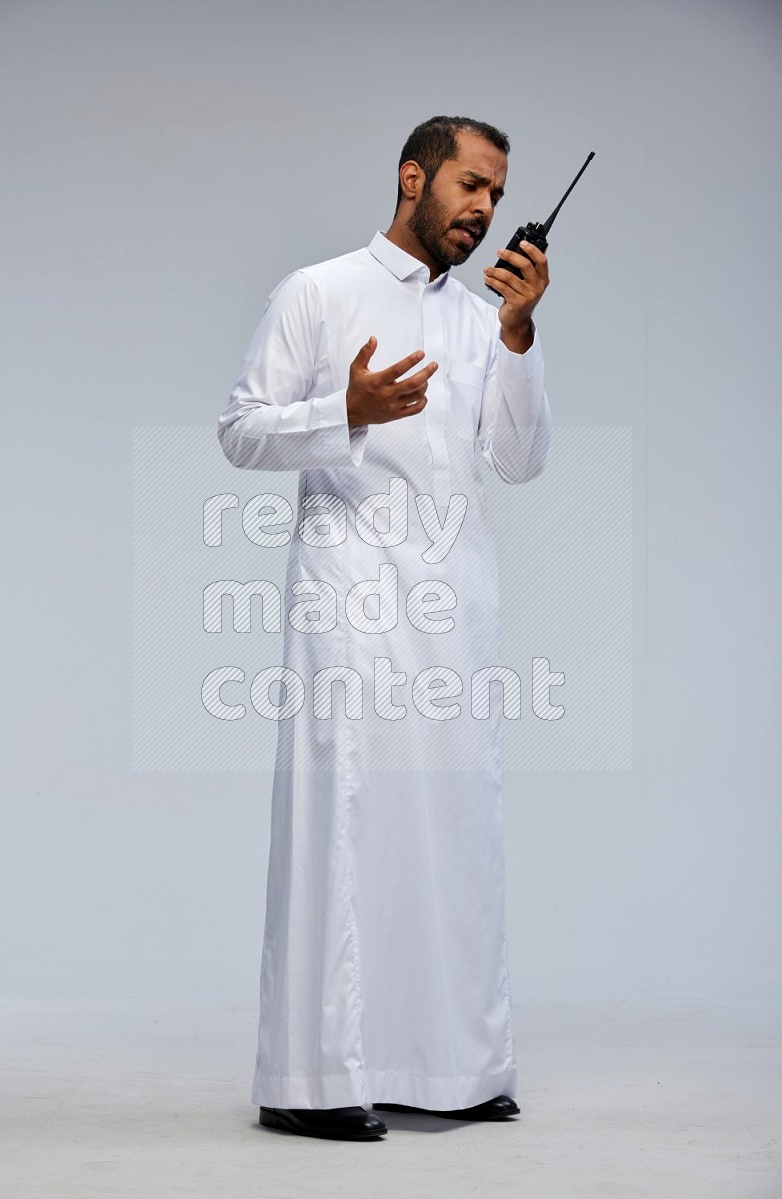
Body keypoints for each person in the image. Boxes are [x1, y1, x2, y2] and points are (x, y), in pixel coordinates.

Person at [217, 115, 551, 1142]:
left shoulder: (480, 319)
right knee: (345, 828)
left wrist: (518, 338)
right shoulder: (316, 292)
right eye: (469, 184)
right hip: (349, 597)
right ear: (412, 177)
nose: (484, 209)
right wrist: (344, 411)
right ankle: (310, 1079)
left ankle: (453, 1066)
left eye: (496, 195)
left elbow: (518, 458)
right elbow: (238, 429)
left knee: (453, 834)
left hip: (453, 609)